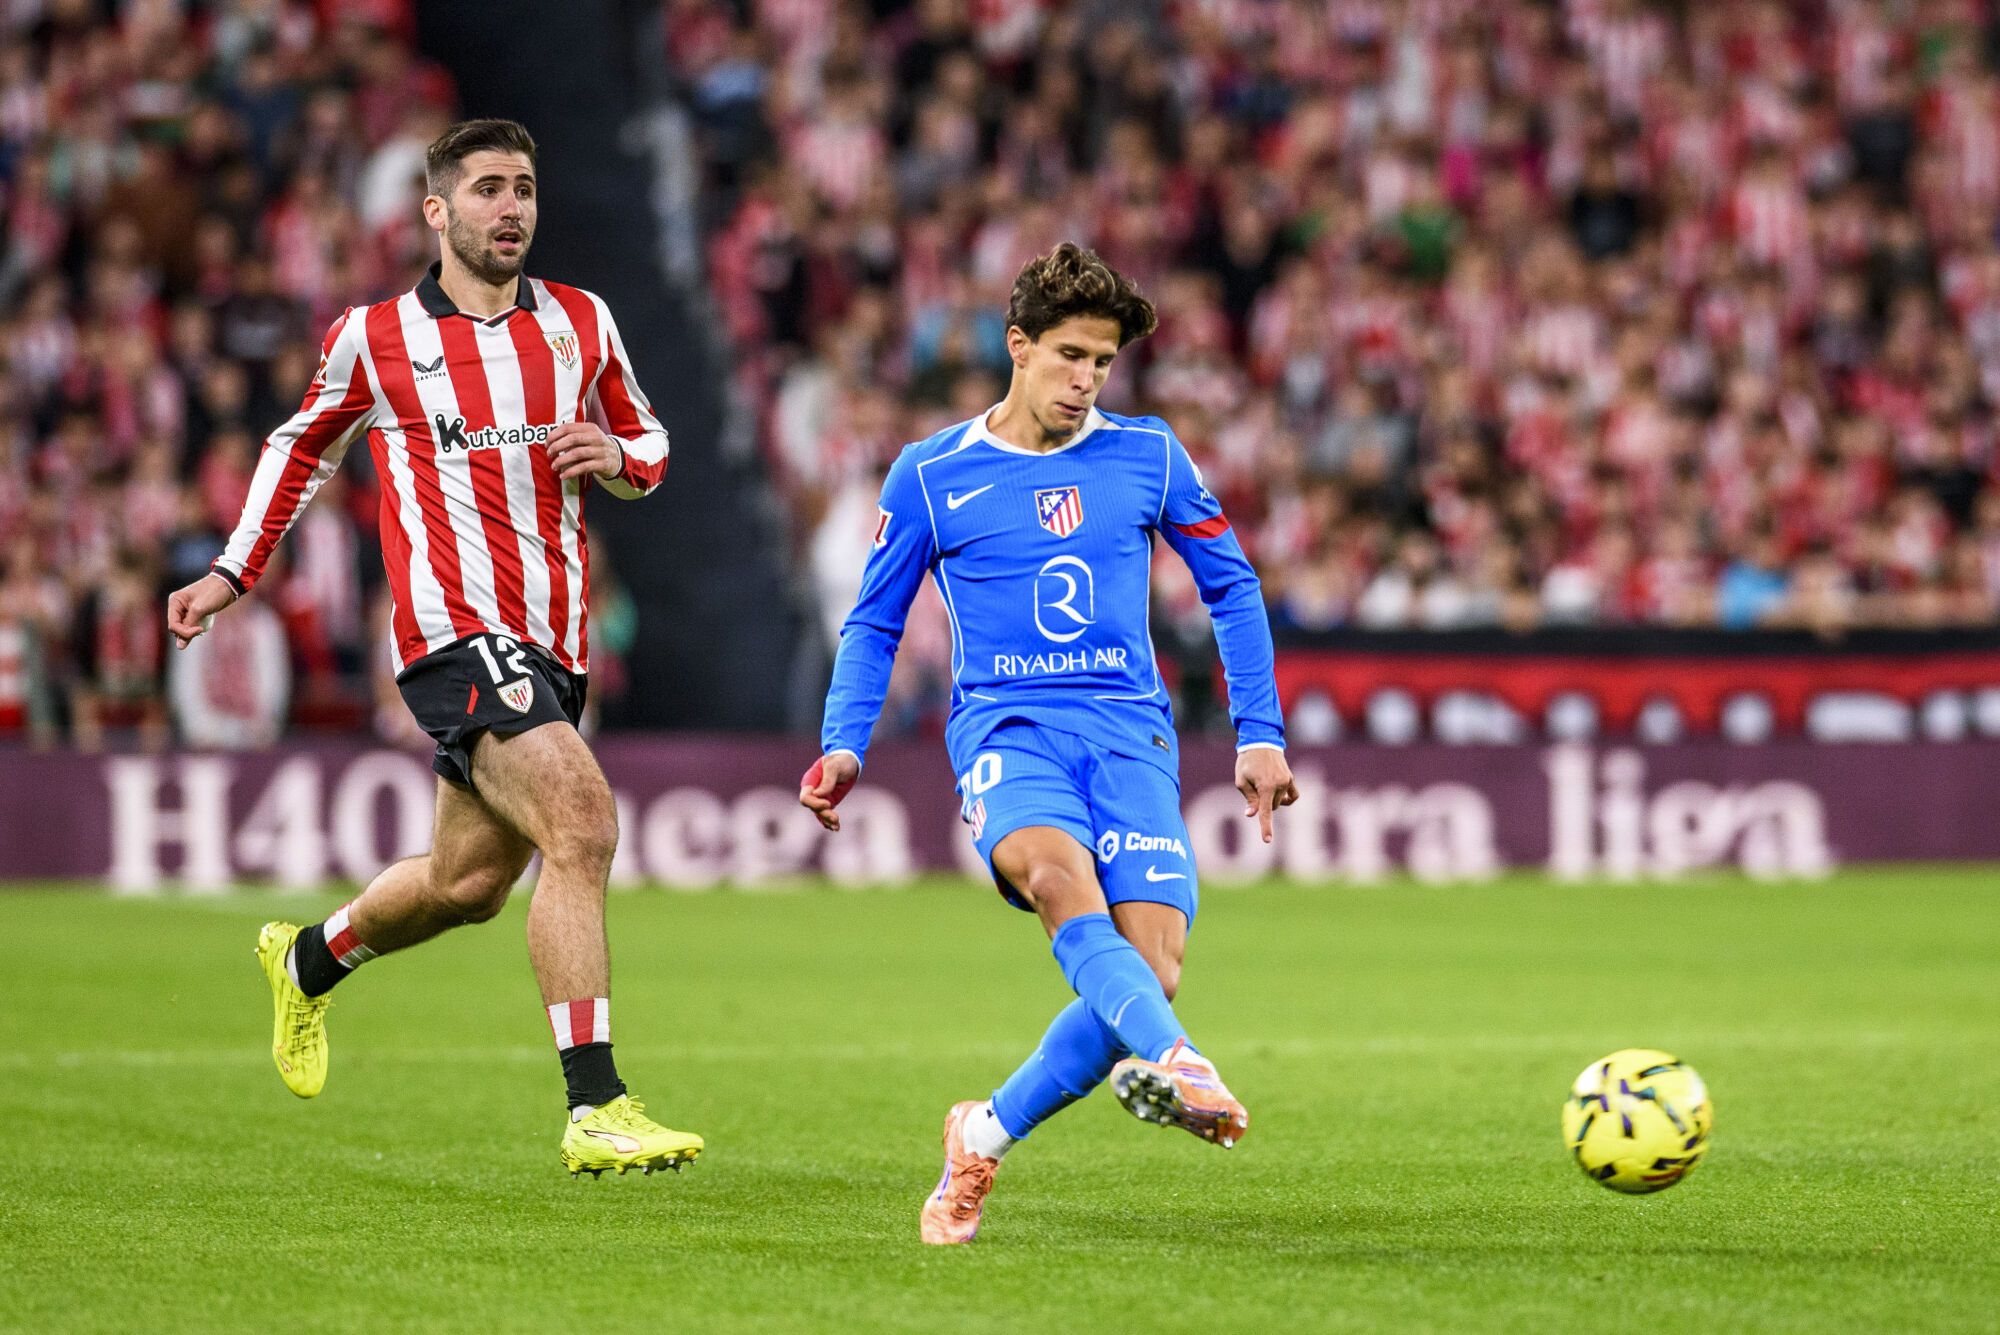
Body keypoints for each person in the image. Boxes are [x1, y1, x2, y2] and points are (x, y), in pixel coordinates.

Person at [165, 118, 700, 1179]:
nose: (513, 207)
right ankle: (594, 1103)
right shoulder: (375, 337)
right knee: (584, 825)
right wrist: (234, 571)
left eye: (525, 188)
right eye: (490, 188)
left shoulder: (581, 323)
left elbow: (648, 438)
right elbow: (297, 449)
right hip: (453, 635)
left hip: (555, 638)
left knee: (466, 886)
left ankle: (310, 958)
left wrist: (622, 457)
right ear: (437, 211)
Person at [800, 243, 1298, 1244]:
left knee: (1148, 970)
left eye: (1102, 363)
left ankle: (981, 1133)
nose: (1085, 380)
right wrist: (843, 740)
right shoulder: (932, 474)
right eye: (1069, 355)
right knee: (1057, 881)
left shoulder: (1148, 455)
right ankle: (1179, 1063)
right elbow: (874, 620)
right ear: (1016, 347)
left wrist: (1259, 734)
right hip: (1005, 731)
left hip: (1128, 734)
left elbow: (1232, 587)